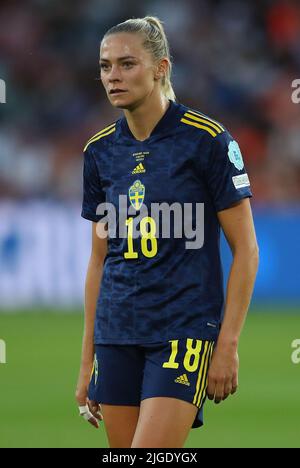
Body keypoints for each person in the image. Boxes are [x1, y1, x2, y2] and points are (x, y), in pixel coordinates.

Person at [75, 15, 259, 448]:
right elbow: (100, 259)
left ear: (161, 68)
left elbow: (246, 249)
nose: (113, 77)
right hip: (117, 332)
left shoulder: (207, 141)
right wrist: (88, 361)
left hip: (184, 331)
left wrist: (227, 343)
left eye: (126, 64)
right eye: (105, 66)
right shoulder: (99, 152)